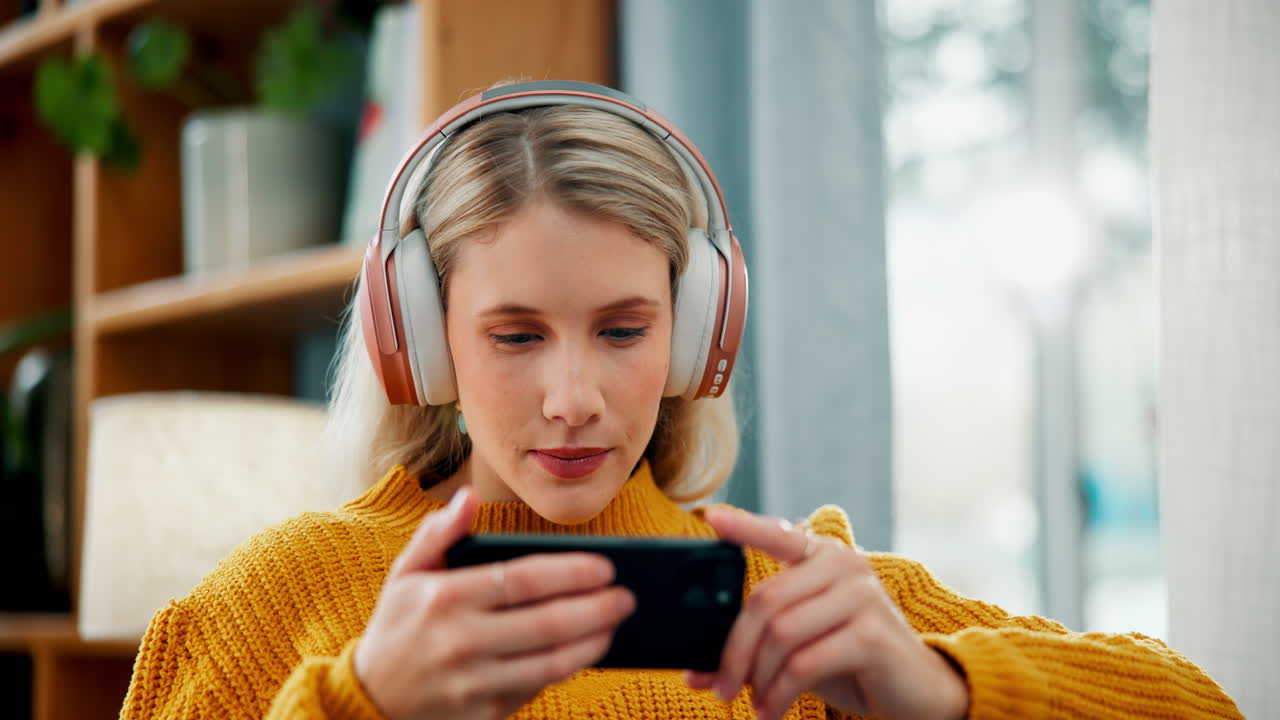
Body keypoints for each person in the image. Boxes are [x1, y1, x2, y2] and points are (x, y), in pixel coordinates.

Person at [119, 80, 1242, 720]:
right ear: (420, 337)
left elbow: (1201, 705)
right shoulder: (273, 605)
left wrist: (942, 689)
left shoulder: (798, 605)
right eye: (515, 335)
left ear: (696, 333)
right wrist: (363, 703)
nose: (573, 400)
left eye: (622, 331)